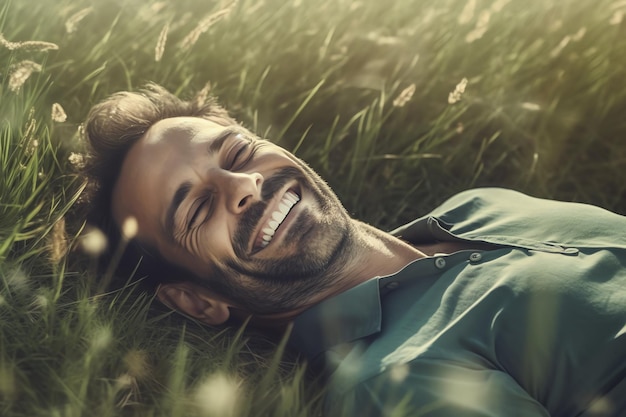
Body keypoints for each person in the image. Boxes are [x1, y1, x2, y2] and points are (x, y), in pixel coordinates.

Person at [84, 83, 626, 417]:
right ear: (197, 300)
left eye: (238, 151)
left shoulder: (479, 207)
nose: (242, 185)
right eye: (198, 210)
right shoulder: (393, 384)